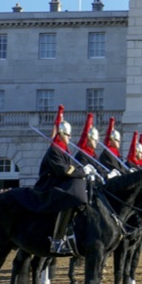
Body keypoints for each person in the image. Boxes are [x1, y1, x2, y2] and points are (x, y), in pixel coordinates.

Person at [35, 106, 91, 254]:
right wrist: (82, 173)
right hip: (49, 184)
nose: (70, 137)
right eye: (67, 134)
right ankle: (57, 240)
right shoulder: (54, 150)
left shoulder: (64, 150)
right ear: (60, 134)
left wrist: (84, 172)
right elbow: (63, 170)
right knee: (69, 197)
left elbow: (72, 167)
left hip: (60, 182)